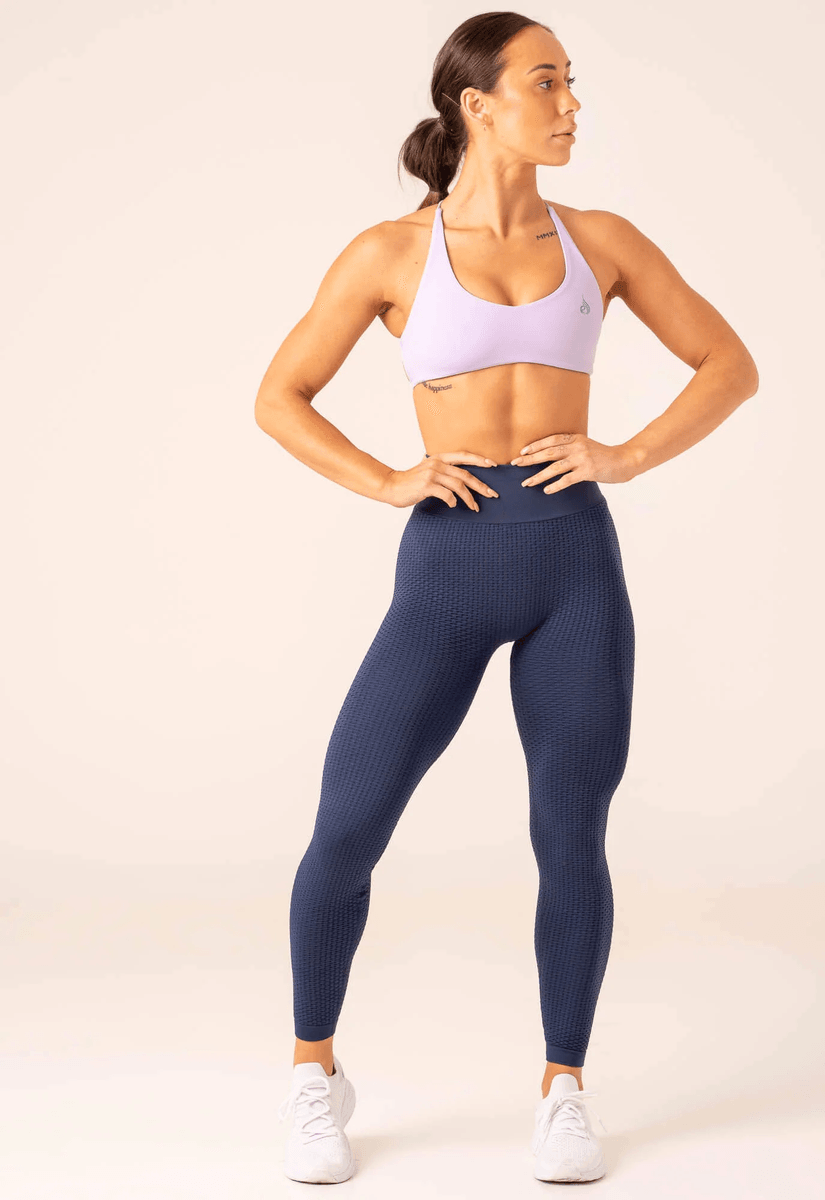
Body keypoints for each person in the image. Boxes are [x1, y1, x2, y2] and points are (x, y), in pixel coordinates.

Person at [256, 12, 758, 1186]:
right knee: (347, 828)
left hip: (574, 567)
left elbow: (730, 364)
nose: (571, 104)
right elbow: (281, 396)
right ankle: (313, 1072)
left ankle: (563, 1088)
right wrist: (388, 479)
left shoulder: (603, 242)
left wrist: (625, 455)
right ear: (477, 104)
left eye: (572, 83)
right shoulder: (390, 253)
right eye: (547, 83)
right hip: (445, 573)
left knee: (570, 835)